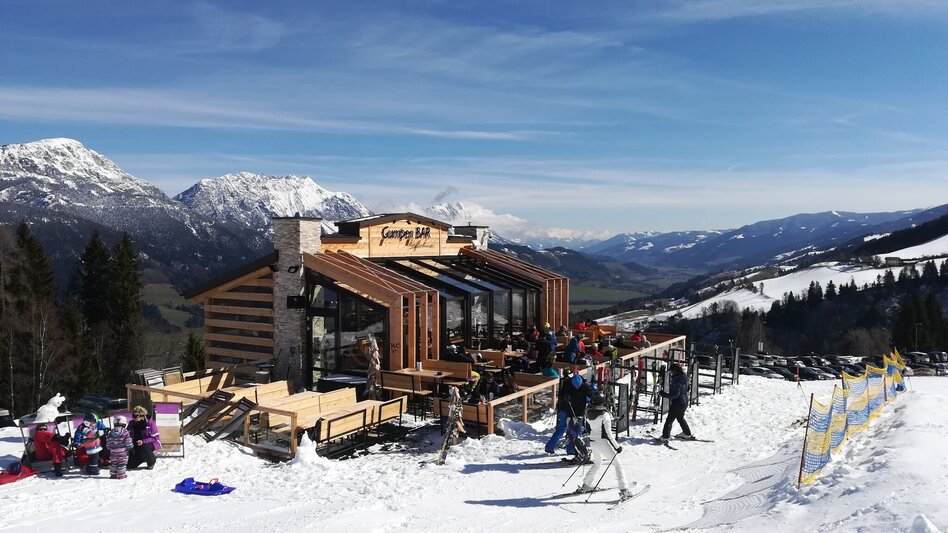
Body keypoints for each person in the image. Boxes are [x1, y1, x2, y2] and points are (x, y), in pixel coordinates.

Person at [575, 395, 633, 500]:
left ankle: (586, 484)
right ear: (602, 403)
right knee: (618, 465)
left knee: (597, 463)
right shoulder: (605, 414)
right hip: (602, 443)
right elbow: (608, 433)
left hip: (593, 442)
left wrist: (613, 420)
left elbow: (589, 428)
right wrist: (617, 447)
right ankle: (624, 490)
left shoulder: (588, 413)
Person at [545, 371, 592, 456]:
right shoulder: (567, 385)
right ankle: (550, 447)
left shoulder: (585, 387)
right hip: (565, 410)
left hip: (577, 412)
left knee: (575, 431)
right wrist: (564, 398)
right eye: (575, 387)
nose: (576, 388)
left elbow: (590, 396)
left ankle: (571, 449)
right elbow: (561, 396)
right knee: (562, 429)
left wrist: (591, 399)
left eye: (578, 387)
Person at [658, 363, 694, 443]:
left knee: (669, 420)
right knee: (680, 418)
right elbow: (688, 388)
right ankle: (686, 433)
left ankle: (665, 436)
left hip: (677, 403)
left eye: (671, 372)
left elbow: (675, 395)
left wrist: (663, 394)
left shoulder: (676, 380)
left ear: (675, 371)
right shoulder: (684, 377)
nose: (671, 373)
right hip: (684, 401)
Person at [128, 406, 161, 470]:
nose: (134, 417)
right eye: (133, 415)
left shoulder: (150, 423)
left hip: (149, 443)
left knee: (144, 447)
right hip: (135, 444)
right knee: (130, 466)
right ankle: (141, 457)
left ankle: (152, 461)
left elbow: (155, 437)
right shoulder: (131, 423)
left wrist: (143, 441)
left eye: (135, 416)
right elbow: (127, 433)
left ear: (140, 416)